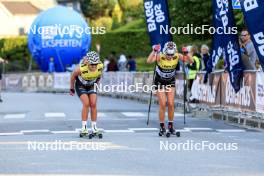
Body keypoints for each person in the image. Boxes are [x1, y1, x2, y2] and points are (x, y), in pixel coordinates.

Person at [147, 41, 193, 135]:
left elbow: (191, 61)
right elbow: (149, 61)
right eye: (168, 54)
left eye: (171, 54)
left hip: (170, 81)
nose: (170, 56)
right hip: (159, 81)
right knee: (163, 104)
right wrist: (154, 51)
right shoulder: (160, 56)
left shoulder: (177, 55)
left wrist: (186, 53)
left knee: (171, 104)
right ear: (165, 51)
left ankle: (171, 126)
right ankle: (162, 126)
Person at [70, 51, 104, 136]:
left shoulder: (100, 66)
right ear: (88, 63)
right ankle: (84, 128)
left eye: (95, 64)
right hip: (81, 85)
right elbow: (73, 76)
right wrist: (71, 88)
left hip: (92, 85)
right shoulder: (81, 69)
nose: (94, 66)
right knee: (86, 103)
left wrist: (97, 84)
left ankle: (94, 127)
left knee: (93, 104)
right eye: (92, 64)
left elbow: (99, 75)